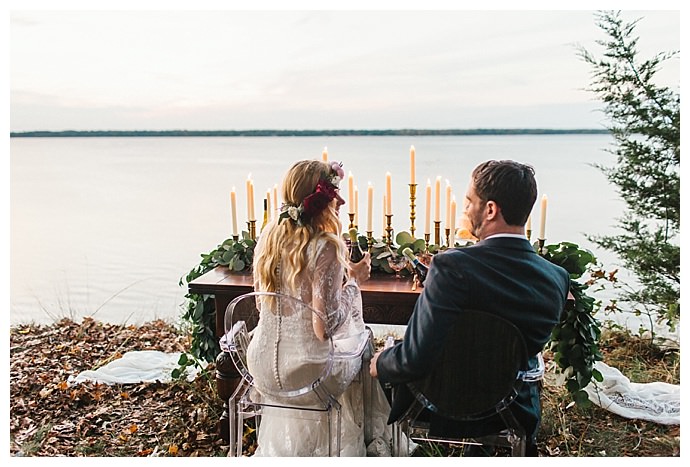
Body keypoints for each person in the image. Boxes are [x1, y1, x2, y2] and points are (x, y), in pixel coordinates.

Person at [370, 159, 570, 456]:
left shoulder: (453, 266)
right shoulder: (557, 278)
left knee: (374, 370)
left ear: (490, 209)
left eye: (468, 202)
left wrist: (381, 362)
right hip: (512, 409)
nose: (465, 210)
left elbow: (415, 358)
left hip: (436, 406)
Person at [246, 159, 393, 456]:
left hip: (262, 367)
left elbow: (265, 305)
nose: (340, 201)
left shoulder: (269, 236)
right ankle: (361, 442)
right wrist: (354, 282)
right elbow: (324, 327)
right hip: (307, 374)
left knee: (350, 343)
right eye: (335, 194)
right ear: (324, 199)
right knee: (361, 342)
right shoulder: (325, 245)